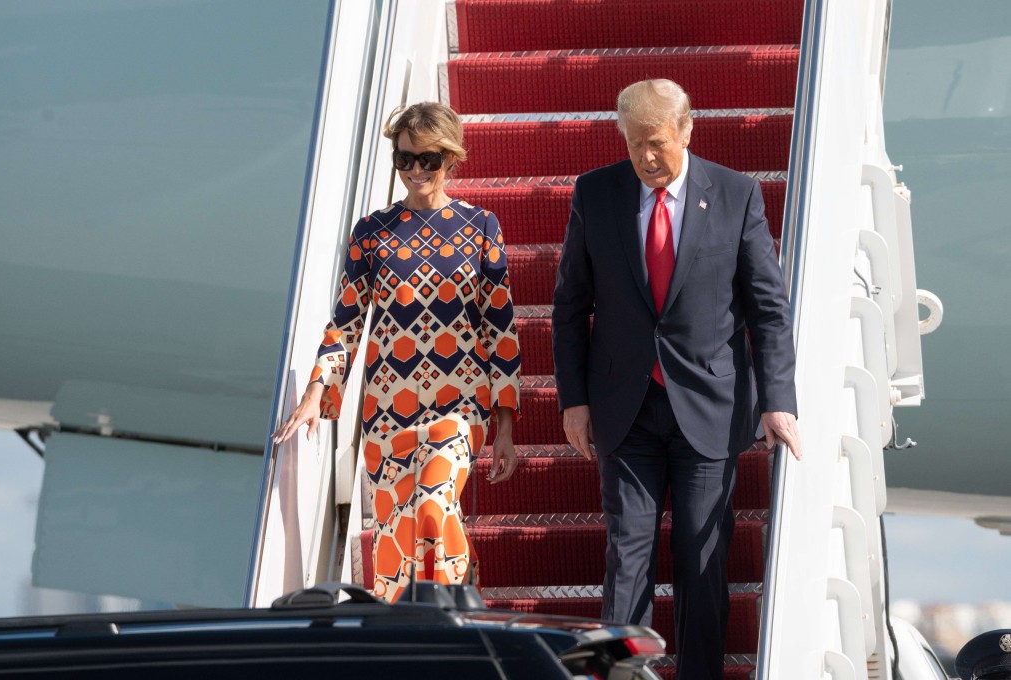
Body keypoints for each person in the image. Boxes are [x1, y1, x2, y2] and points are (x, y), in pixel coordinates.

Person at [551, 79, 802, 680]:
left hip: (710, 407)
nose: (646, 157)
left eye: (657, 143)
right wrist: (574, 400)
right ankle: (618, 676)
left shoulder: (737, 194)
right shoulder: (596, 192)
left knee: (701, 558)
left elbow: (768, 309)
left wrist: (778, 401)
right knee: (627, 558)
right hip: (624, 407)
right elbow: (570, 305)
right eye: (634, 143)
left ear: (687, 131)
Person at [274, 101, 521, 603]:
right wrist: (316, 391)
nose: (415, 170)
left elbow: (500, 329)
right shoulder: (372, 232)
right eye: (404, 159)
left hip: (459, 405)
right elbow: (346, 323)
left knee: (432, 504)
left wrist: (505, 427)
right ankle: (414, 631)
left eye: (428, 159)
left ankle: (454, 618)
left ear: (450, 158)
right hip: (387, 412)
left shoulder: (480, 226)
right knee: (395, 541)